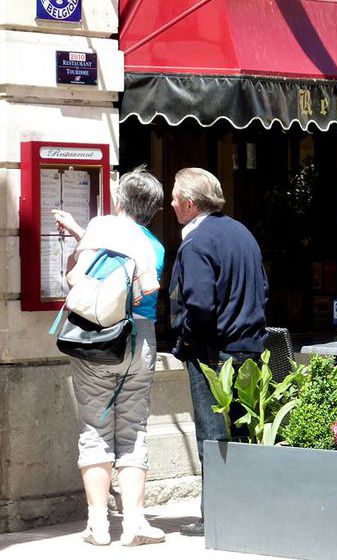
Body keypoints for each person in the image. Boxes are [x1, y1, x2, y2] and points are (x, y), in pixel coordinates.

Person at [53, 166, 166, 547]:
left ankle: (98, 526)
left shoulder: (101, 229)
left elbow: (76, 276)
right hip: (140, 340)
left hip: (96, 338)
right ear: (153, 210)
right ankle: (134, 523)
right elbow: (142, 291)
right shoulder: (154, 246)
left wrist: (78, 240)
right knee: (134, 429)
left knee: (95, 428)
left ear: (120, 199)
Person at [168, 167, 268, 537]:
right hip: (248, 348)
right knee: (243, 431)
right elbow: (263, 289)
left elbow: (199, 306)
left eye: (176, 197)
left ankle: (218, 516)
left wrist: (188, 343)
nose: (172, 203)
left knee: (213, 436)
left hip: (213, 353)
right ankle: (245, 512)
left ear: (191, 204)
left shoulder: (196, 242)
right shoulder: (242, 234)